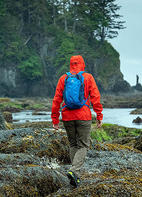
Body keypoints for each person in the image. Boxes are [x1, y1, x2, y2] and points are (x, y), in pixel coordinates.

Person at [51, 55, 103, 187]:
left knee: (73, 144)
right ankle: (74, 171)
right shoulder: (88, 77)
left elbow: (57, 100)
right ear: (83, 64)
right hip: (83, 116)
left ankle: (75, 175)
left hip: (67, 116)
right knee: (84, 145)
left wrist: (55, 119)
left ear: (71, 64)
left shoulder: (64, 78)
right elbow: (95, 97)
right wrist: (99, 115)